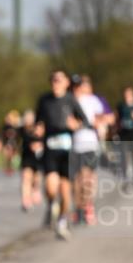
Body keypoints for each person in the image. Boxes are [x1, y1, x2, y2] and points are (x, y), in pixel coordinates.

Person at [36, 69, 88, 239]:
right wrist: (38, 129)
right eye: (53, 79)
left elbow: (85, 121)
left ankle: (62, 221)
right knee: (51, 187)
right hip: (50, 148)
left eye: (59, 80)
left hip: (67, 150)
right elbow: (38, 121)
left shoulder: (71, 99)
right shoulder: (44, 100)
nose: (55, 83)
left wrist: (76, 125)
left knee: (65, 191)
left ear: (66, 83)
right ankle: (53, 204)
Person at [70, 75, 104, 226]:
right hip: (74, 144)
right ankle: (79, 209)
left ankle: (87, 206)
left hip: (90, 144)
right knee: (77, 180)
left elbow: (101, 118)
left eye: (80, 85)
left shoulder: (92, 100)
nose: (77, 88)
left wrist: (98, 125)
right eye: (75, 86)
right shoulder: (69, 101)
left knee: (88, 178)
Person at [19, 109, 44, 212]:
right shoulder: (23, 131)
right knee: (26, 178)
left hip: (38, 159)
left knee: (37, 178)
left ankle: (36, 190)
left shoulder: (39, 129)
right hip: (27, 158)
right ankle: (26, 200)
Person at [116, 86, 133, 187]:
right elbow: (117, 119)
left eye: (128, 94)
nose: (126, 96)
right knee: (123, 155)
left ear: (132, 95)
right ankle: (125, 176)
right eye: (125, 94)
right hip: (123, 134)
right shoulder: (121, 106)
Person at [1, 109, 22, 175]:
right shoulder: (5, 127)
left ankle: (12, 167)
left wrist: (18, 145)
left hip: (14, 143)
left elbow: (18, 137)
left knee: (13, 156)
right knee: (8, 156)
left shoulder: (17, 128)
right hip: (7, 143)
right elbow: (3, 136)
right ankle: (8, 167)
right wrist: (3, 144)